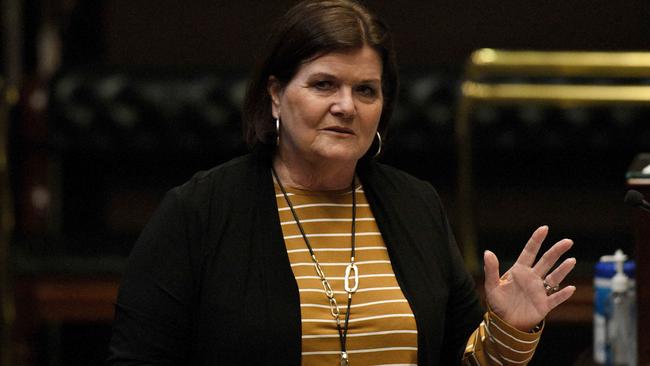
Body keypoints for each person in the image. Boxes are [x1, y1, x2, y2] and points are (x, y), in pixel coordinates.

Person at [107, 1, 577, 365]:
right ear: (275, 96)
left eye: (365, 90)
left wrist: (509, 331)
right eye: (324, 85)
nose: (346, 106)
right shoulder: (199, 212)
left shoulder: (415, 205)